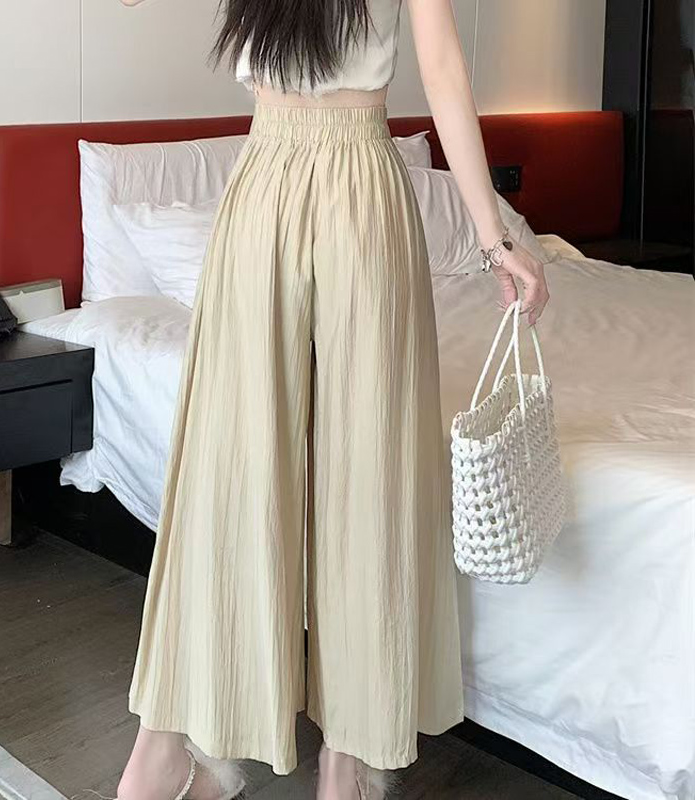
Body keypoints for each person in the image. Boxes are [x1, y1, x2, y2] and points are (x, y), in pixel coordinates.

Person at [117, 1, 550, 799]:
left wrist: (495, 240)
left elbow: (444, 69)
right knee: (338, 473)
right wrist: (495, 242)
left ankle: (193, 752)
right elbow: (443, 68)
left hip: (287, 187)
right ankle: (321, 761)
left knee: (256, 468)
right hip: (333, 187)